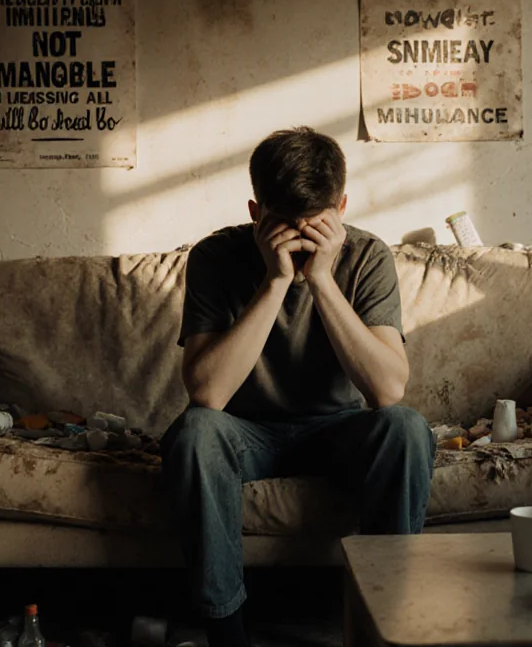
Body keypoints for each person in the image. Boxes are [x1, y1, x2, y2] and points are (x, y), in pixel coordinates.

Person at [162, 126, 436, 647]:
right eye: (285, 225)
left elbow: (387, 391)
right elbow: (208, 394)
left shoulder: (367, 256)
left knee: (405, 428)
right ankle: (225, 632)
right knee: (195, 433)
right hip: (245, 433)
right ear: (255, 213)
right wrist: (276, 281)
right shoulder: (214, 257)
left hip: (339, 430)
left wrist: (323, 280)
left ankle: (385, 623)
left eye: (316, 223)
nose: (303, 239)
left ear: (341, 207)